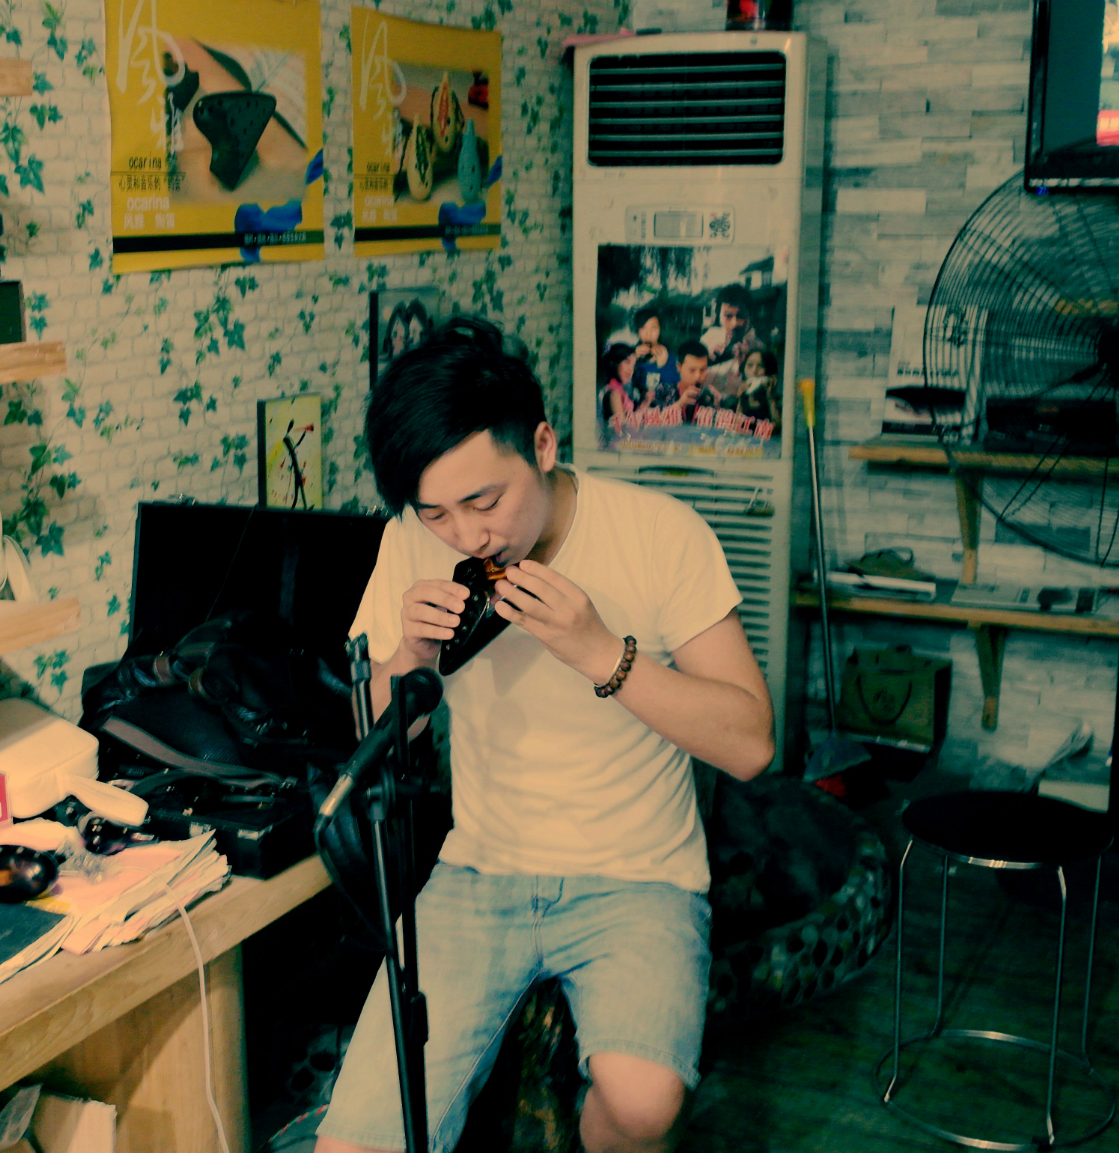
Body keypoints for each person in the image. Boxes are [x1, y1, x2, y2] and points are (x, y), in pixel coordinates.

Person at [316, 317, 775, 1153]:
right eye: (437, 513)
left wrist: (602, 653)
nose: (468, 537)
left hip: (640, 875)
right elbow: (371, 728)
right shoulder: (410, 543)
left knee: (643, 1107)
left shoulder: (662, 533)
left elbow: (750, 743)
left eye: (485, 502)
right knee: (358, 1139)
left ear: (543, 445)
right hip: (480, 867)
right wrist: (410, 655)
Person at [698, 285, 759, 370]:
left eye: (740, 316)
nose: (734, 323)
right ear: (718, 314)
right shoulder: (709, 337)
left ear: (750, 315)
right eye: (728, 316)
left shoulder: (758, 349)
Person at [629, 304, 680, 405]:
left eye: (653, 328)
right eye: (643, 328)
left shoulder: (669, 356)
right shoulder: (630, 353)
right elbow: (620, 386)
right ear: (637, 330)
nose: (648, 334)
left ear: (660, 330)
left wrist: (662, 366)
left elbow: (674, 390)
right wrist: (632, 359)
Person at [598, 340, 640, 429]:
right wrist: (643, 406)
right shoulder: (614, 394)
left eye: (633, 365)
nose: (630, 370)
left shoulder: (619, 391)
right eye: (627, 362)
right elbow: (622, 428)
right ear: (614, 362)